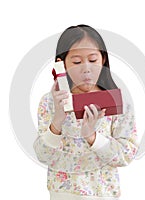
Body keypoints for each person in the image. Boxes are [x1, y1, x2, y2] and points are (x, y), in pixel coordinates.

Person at [33, 24, 138, 200]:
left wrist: (93, 137)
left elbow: (127, 154)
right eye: (76, 62)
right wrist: (58, 120)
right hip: (62, 195)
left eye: (92, 59)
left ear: (103, 59)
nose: (86, 68)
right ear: (62, 64)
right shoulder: (50, 102)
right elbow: (43, 156)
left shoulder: (118, 101)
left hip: (103, 195)